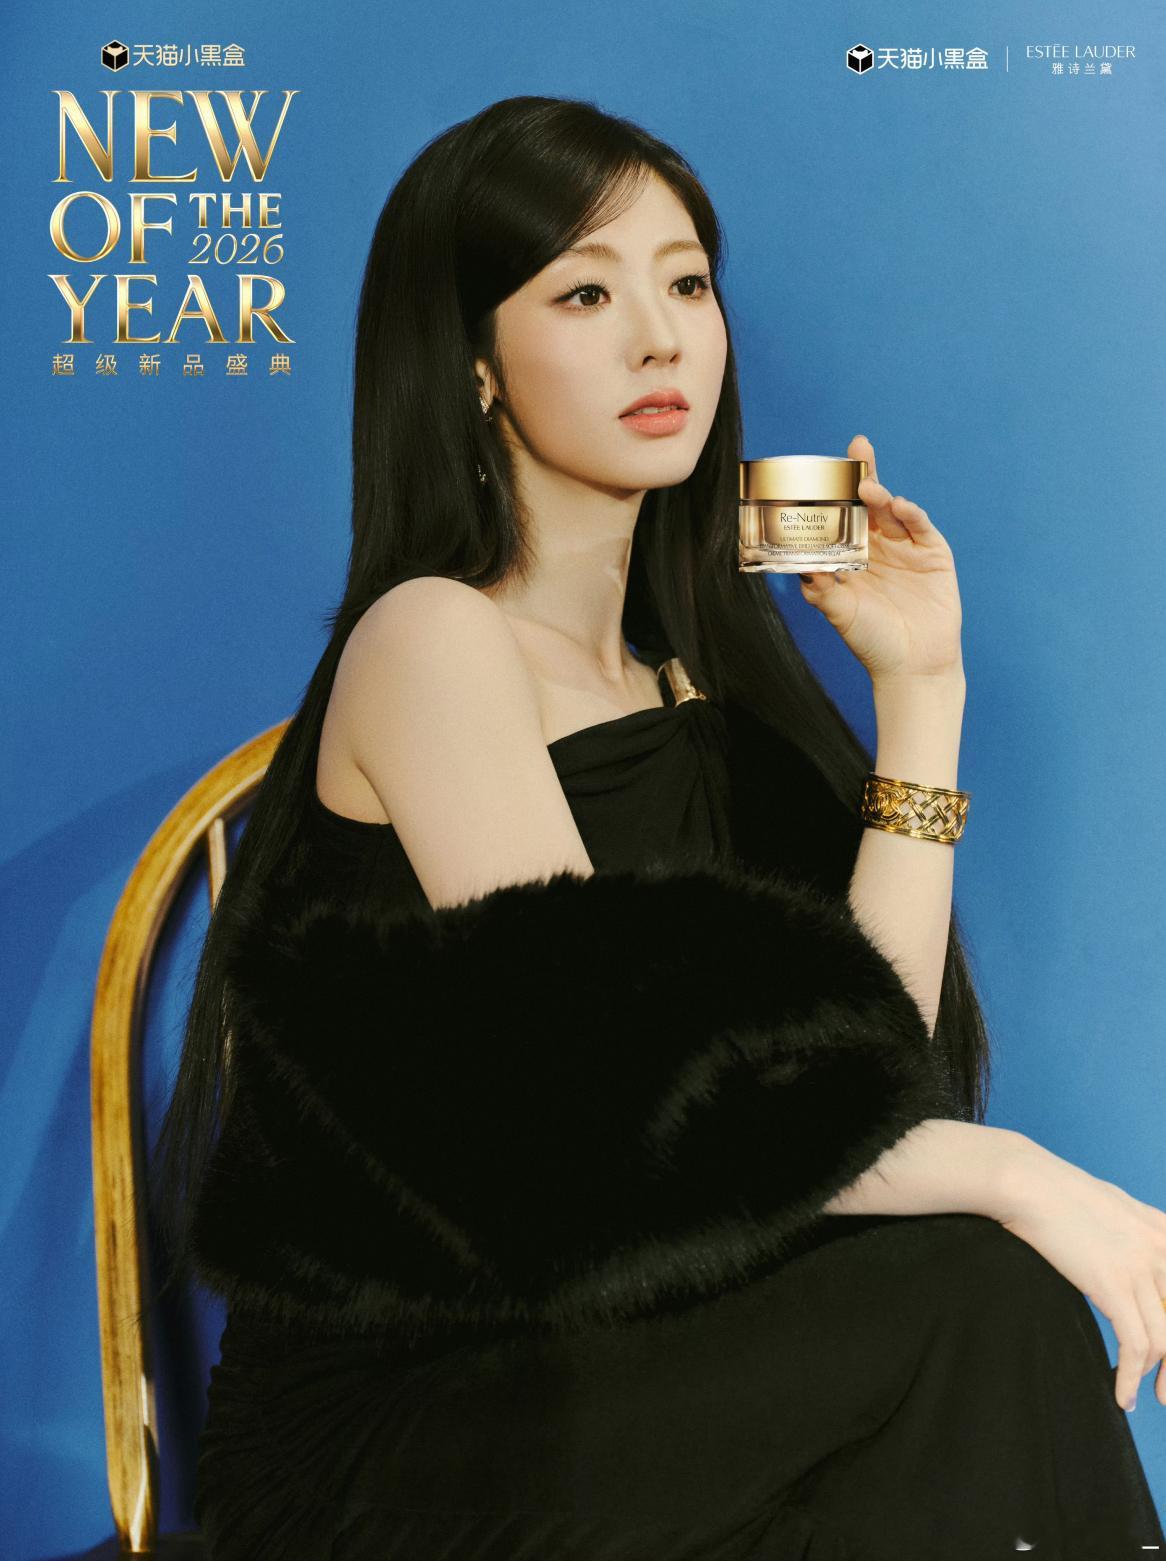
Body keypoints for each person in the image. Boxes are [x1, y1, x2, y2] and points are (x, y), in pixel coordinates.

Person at [150, 95, 1166, 1559]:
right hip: (412, 1414)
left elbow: (862, 1083)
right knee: (975, 1290)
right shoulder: (431, 640)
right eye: (584, 292)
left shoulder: (695, 694)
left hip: (642, 1359)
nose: (658, 339)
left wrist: (921, 691)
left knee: (955, 1320)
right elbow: (614, 1104)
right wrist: (1018, 1174)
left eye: (685, 284)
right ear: (475, 365)